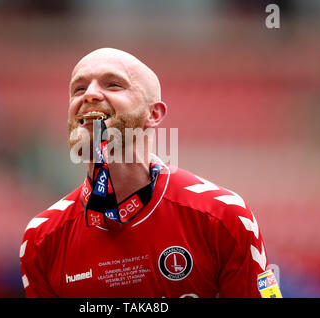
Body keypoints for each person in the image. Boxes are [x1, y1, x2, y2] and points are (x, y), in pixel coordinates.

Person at [19, 48, 281, 298]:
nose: (89, 95)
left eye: (113, 85)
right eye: (78, 88)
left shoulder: (222, 216)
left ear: (153, 113)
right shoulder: (41, 239)